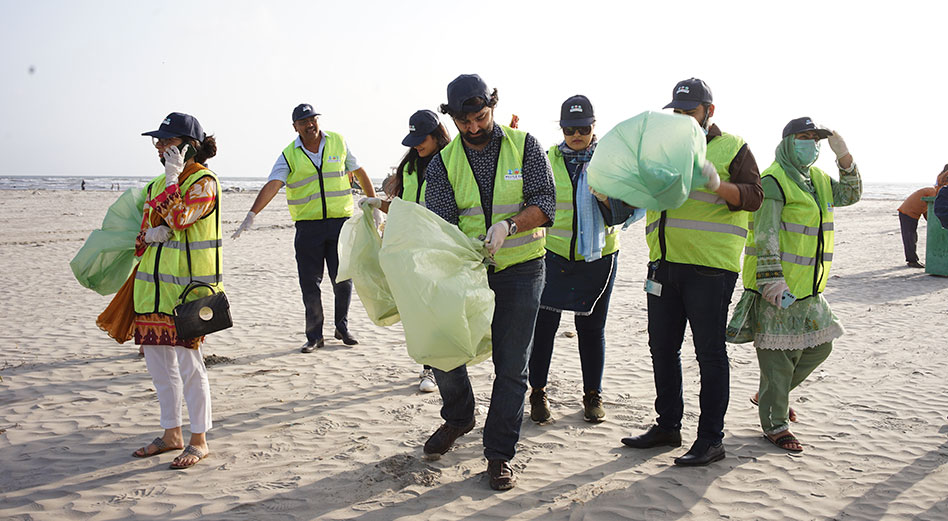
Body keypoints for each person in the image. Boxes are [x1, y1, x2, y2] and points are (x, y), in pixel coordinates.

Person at [420, 74, 555, 490]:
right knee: (444, 350)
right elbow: (441, 223)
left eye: (480, 117)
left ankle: (498, 454)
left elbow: (546, 203)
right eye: (464, 122)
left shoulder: (525, 145)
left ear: (492, 105)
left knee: (512, 366)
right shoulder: (443, 162)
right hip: (468, 270)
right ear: (453, 120)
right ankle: (460, 417)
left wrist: (509, 225)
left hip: (522, 269)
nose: (474, 128)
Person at [621, 78, 763, 466]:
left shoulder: (732, 147)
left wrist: (718, 184)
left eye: (690, 112)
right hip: (663, 265)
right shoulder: (663, 149)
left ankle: (710, 440)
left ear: (709, 112)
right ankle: (668, 426)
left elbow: (753, 197)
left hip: (709, 270)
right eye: (678, 112)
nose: (683, 119)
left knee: (709, 355)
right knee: (662, 348)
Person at [726, 117, 862, 452]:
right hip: (778, 285)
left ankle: (771, 394)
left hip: (810, 288)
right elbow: (766, 231)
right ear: (788, 142)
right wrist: (772, 279)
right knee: (778, 357)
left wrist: (843, 156)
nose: (811, 144)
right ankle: (775, 425)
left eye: (815, 139)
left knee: (821, 344)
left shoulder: (815, 179)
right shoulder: (774, 179)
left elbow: (851, 193)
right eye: (804, 137)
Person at [527, 95, 637, 425]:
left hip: (599, 257)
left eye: (584, 128)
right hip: (552, 255)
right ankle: (538, 392)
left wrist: (606, 195)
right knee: (543, 328)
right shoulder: (545, 160)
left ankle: (592, 396)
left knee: (591, 328)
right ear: (561, 129)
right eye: (570, 129)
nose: (577, 135)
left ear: (594, 127)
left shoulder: (611, 160)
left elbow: (625, 210)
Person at [232, 103, 377, 352]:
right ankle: (314, 335)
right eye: (304, 122)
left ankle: (342, 327)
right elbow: (274, 183)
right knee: (310, 283)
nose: (310, 125)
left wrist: (373, 203)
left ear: (318, 120)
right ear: (295, 127)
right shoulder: (289, 154)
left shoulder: (338, 142)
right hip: (308, 228)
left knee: (342, 279)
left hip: (339, 223)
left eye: (313, 119)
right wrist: (252, 213)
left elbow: (359, 171)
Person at [132, 112, 221, 469]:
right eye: (158, 141)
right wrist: (148, 236)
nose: (159, 146)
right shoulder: (155, 186)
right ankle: (171, 433)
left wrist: (173, 180)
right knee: (159, 368)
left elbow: (181, 218)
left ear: (188, 146)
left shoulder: (204, 181)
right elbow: (141, 239)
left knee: (190, 366)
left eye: (167, 141)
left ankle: (199, 439)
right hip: (151, 292)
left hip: (189, 293)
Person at [363, 109, 452, 392]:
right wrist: (377, 204)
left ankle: (438, 368)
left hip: (443, 249)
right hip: (413, 250)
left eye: (421, 138)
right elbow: (403, 206)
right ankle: (429, 367)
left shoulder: (454, 161)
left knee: (440, 310)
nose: (416, 144)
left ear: (437, 134)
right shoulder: (411, 167)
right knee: (420, 311)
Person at [897, 166, 948, 268]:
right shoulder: (932, 192)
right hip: (908, 213)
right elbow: (933, 207)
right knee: (910, 237)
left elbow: (927, 209)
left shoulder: (931, 190)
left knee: (911, 236)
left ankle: (912, 259)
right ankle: (912, 261)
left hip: (908, 212)